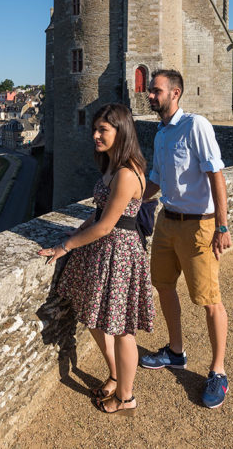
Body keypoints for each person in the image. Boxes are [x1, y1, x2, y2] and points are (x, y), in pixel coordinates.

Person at [38, 103, 155, 416]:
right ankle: (116, 376)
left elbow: (107, 225)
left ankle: (127, 398)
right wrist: (80, 229)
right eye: (95, 128)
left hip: (120, 254)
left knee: (122, 332)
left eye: (103, 129)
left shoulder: (128, 173)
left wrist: (66, 245)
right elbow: (99, 215)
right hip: (105, 252)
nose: (95, 135)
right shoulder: (113, 167)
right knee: (91, 316)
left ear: (121, 131)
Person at [137, 69, 232, 409]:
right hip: (167, 221)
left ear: (175, 93)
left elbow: (216, 174)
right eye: (150, 90)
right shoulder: (161, 133)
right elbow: (157, 181)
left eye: (156, 90)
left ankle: (218, 371)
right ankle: (176, 351)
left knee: (209, 300)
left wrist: (221, 226)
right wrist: (130, 204)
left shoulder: (196, 126)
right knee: (162, 285)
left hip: (198, 226)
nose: (150, 95)